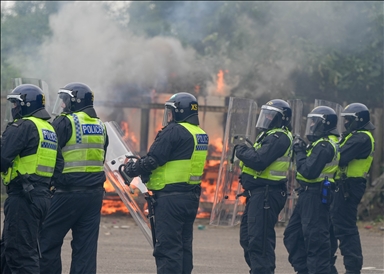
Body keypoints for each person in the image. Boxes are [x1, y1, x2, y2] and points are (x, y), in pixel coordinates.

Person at [123, 92, 209, 274]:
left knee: (168, 249)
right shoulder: (200, 134)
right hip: (190, 197)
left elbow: (153, 160)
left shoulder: (174, 130)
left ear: (179, 111)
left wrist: (131, 169)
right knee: (184, 248)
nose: (169, 116)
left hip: (170, 200)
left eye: (171, 111)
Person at [39, 82, 109, 274]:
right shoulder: (100, 126)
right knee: (85, 249)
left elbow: (49, 153)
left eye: (65, 101)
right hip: (94, 196)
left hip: (66, 194)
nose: (62, 106)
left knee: (47, 241)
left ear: (75, 102)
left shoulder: (65, 122)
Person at [0, 84, 63, 274]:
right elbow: (59, 166)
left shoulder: (23, 126)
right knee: (8, 251)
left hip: (23, 198)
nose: (13, 108)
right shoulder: (48, 129)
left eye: (15, 103)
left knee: (21, 255)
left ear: (25, 104)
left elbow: (3, 159)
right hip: (41, 198)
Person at [235, 99, 293, 274]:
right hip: (257, 195)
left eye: (270, 114)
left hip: (267, 195)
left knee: (260, 243)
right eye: (265, 113)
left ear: (281, 118)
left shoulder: (279, 137)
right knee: (248, 239)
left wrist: (241, 151)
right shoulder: (269, 135)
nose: (266, 117)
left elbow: (259, 161)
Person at [283, 106, 340, 274]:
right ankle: (305, 270)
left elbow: (309, 171)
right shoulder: (321, 143)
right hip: (308, 194)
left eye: (314, 121)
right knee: (292, 235)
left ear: (324, 124)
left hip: (316, 196)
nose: (312, 125)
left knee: (316, 243)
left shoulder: (324, 145)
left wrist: (299, 151)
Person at [330, 103, 375, 274]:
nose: (346, 122)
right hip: (342, 186)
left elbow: (340, 157)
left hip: (350, 187)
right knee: (334, 225)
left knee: (345, 228)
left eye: (348, 119)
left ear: (358, 120)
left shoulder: (362, 138)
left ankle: (353, 268)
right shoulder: (353, 136)